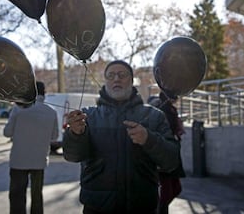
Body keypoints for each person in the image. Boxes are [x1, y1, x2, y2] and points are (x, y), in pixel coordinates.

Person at [62, 60, 180, 214]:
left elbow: (172, 161)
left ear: (132, 81)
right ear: (105, 82)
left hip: (142, 207)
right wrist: (75, 134)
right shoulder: (88, 116)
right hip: (97, 207)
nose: (116, 79)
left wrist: (148, 139)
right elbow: (72, 156)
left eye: (122, 75)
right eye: (110, 75)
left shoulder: (154, 116)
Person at [3, 81, 59, 214]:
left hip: (18, 160)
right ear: (43, 93)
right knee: (37, 195)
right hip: (39, 160)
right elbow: (55, 136)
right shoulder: (51, 111)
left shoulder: (18, 109)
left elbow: (7, 132)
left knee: (17, 194)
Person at [148, 92, 186, 214]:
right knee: (167, 192)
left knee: (175, 189)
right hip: (162, 157)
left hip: (171, 153)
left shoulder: (169, 109)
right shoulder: (162, 109)